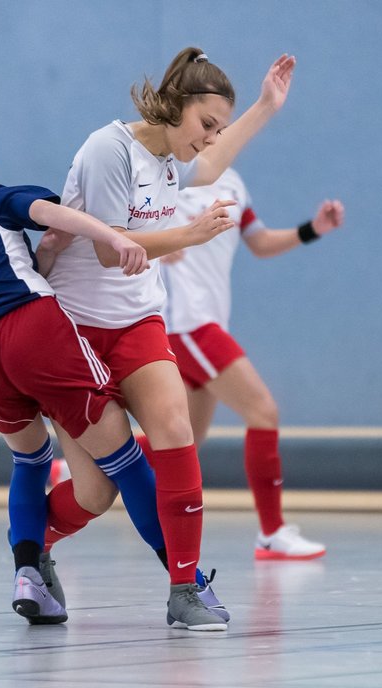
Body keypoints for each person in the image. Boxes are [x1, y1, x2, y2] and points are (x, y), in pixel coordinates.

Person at [0, 150, 227, 630]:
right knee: (128, 463)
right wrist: (113, 235)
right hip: (34, 335)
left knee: (29, 460)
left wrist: (47, 254)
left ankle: (28, 570)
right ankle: (187, 581)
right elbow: (49, 214)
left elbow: (13, 274)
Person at [41, 47, 296, 623]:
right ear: (174, 107)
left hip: (139, 323)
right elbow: (112, 249)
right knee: (95, 495)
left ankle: (186, 590)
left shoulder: (170, 162)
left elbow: (212, 162)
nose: (210, 139)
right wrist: (189, 235)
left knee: (178, 429)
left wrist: (265, 107)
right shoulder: (109, 149)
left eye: (218, 129)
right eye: (205, 124)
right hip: (76, 334)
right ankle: (35, 546)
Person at [156, 168, 345, 559]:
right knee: (263, 410)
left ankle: (83, 466)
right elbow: (120, 223)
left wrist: (313, 228)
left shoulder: (233, 182)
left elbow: (258, 242)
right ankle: (271, 532)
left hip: (207, 322)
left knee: (186, 437)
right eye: (206, 121)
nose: (214, 132)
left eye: (221, 124)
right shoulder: (166, 175)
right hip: (187, 324)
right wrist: (157, 241)